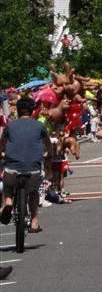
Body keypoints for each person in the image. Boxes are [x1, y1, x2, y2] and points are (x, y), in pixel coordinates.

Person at [0, 96, 52, 232]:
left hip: (12, 169)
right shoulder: (39, 125)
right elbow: (48, 144)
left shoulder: (10, 125)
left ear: (17, 110)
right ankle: (34, 221)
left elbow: (2, 143)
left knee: (8, 185)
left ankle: (9, 203)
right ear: (32, 111)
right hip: (33, 170)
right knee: (33, 192)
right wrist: (48, 155)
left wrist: (2, 153)